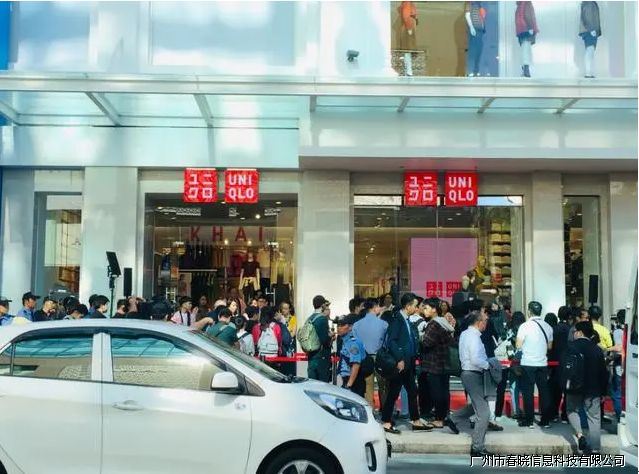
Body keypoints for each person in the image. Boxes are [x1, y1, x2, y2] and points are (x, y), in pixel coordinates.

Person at [381, 293, 432, 434]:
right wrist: (399, 359)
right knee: (394, 392)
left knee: (412, 391)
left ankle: (415, 420)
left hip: (408, 362)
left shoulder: (406, 319)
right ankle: (386, 422)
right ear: (408, 306)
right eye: (415, 306)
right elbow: (391, 341)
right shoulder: (398, 320)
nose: (416, 308)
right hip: (401, 363)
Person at [450, 310, 492, 456]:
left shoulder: (465, 334)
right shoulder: (473, 337)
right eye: (485, 321)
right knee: (484, 412)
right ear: (479, 322)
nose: (486, 323)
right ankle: (477, 447)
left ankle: (453, 418)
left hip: (469, 374)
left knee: (477, 405)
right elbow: (475, 359)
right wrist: (489, 365)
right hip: (473, 374)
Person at [565, 321, 608, 454]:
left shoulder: (570, 347)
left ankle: (580, 435)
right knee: (594, 417)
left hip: (574, 388)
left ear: (580, 332)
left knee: (572, 410)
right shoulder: (597, 349)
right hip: (593, 389)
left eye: (575, 331)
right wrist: (604, 391)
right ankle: (595, 448)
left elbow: (564, 369)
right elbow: (603, 372)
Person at [421, 297, 458, 433]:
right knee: (443, 391)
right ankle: (443, 416)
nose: (424, 311)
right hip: (444, 362)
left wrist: (420, 336)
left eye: (426, 308)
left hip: (434, 363)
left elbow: (427, 342)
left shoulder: (433, 324)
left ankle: (439, 419)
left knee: (436, 392)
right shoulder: (444, 322)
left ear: (434, 309)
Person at [516, 301, 553, 428]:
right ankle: (545, 420)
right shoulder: (548, 327)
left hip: (528, 363)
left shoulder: (524, 326)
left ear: (529, 311)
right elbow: (550, 346)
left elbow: (518, 345)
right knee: (544, 392)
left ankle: (529, 420)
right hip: (542, 363)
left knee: (528, 392)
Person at [353, 297, 389, 409]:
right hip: (380, 357)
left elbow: (355, 344)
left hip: (364, 358)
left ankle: (369, 410)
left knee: (368, 387)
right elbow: (387, 343)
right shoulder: (384, 324)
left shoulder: (356, 325)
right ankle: (385, 411)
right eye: (378, 306)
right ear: (374, 307)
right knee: (383, 386)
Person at [336, 314, 367, 397]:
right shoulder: (345, 341)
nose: (339, 328)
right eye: (338, 325)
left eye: (342, 325)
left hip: (353, 382)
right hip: (348, 380)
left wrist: (349, 385)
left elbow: (356, 364)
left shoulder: (353, 343)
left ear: (350, 327)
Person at [305, 296, 334, 382]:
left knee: (313, 383)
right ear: (322, 305)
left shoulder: (310, 318)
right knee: (323, 385)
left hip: (311, 356)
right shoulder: (322, 319)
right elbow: (324, 340)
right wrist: (331, 336)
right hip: (322, 357)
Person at [552, 306, 572, 423]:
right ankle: (565, 413)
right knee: (567, 390)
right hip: (568, 362)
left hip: (555, 362)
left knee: (555, 390)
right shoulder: (571, 330)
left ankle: (554, 413)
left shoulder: (554, 329)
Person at [508, 310, 527, 419]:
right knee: (525, 388)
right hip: (525, 361)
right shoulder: (526, 329)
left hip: (513, 361)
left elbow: (507, 345)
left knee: (513, 387)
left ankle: (516, 411)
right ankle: (526, 410)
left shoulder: (510, 330)